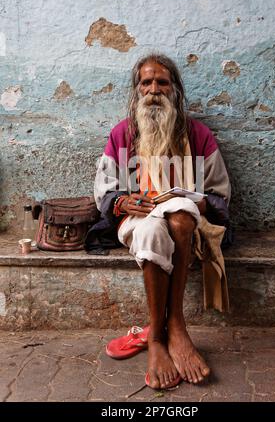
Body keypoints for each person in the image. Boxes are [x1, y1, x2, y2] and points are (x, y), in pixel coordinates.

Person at [88, 54, 231, 389]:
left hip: (187, 226)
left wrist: (187, 198)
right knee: (153, 227)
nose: (154, 90)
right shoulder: (122, 134)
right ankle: (160, 336)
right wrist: (123, 200)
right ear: (137, 91)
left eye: (162, 83)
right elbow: (104, 192)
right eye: (146, 83)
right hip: (138, 221)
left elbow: (220, 195)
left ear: (175, 90)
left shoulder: (198, 135)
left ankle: (175, 327)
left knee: (180, 216)